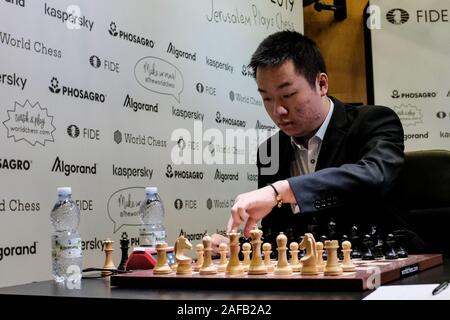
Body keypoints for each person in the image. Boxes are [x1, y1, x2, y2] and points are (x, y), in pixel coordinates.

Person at [214, 30, 425, 253]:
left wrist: (282, 190)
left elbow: (374, 176)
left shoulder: (375, 121)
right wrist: (243, 248)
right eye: (267, 98)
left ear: (322, 84)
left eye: (288, 95)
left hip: (384, 260)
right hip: (313, 273)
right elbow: (279, 234)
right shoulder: (271, 150)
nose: (278, 110)